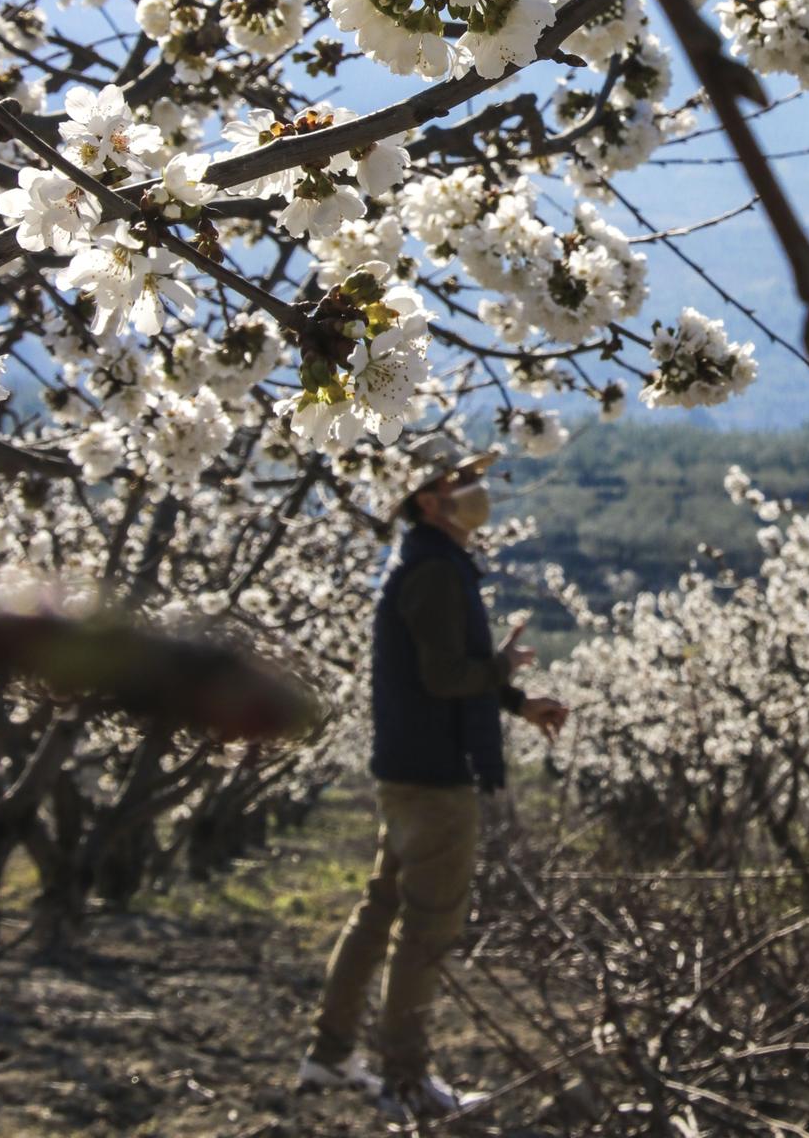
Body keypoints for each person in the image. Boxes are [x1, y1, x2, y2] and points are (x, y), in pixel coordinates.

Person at [297, 435, 568, 1120]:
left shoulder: (427, 562)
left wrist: (514, 700)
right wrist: (503, 672)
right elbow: (446, 677)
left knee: (380, 910)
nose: (478, 488)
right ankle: (406, 1080)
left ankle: (329, 1055)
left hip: (408, 765)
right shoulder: (436, 571)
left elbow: (447, 668)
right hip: (435, 776)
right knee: (428, 928)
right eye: (462, 479)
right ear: (428, 499)